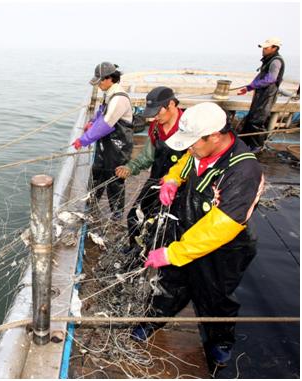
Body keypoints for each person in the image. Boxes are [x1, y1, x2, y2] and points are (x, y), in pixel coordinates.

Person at [132, 102, 264, 368]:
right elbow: (184, 162)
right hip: (187, 228)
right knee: (170, 282)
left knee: (215, 295)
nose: (189, 147)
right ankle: (152, 321)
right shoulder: (199, 149)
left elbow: (220, 227)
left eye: (192, 142)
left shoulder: (244, 171)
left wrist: (173, 252)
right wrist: (171, 179)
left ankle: (219, 342)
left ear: (214, 135)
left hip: (225, 248)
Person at [115, 87, 186, 253]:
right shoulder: (155, 126)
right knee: (134, 216)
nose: (155, 116)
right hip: (155, 181)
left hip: (179, 188)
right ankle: (135, 250)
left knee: (164, 226)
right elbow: (147, 156)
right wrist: (130, 167)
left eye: (157, 111)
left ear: (171, 104)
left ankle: (154, 255)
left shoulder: (187, 127)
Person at [73, 62, 133, 218]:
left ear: (109, 79)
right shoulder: (110, 93)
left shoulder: (119, 98)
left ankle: (117, 213)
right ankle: (90, 204)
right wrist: (92, 122)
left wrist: (83, 140)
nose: (98, 84)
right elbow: (102, 114)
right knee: (97, 173)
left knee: (114, 178)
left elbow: (106, 124)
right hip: (106, 143)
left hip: (118, 145)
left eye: (100, 81)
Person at [237, 37, 285, 150]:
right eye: (263, 47)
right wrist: (248, 88)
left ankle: (257, 148)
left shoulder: (276, 61)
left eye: (266, 48)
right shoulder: (268, 59)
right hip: (261, 94)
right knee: (251, 118)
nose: (263, 50)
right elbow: (260, 76)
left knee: (257, 121)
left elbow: (271, 79)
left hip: (268, 95)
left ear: (274, 48)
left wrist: (252, 86)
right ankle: (245, 145)